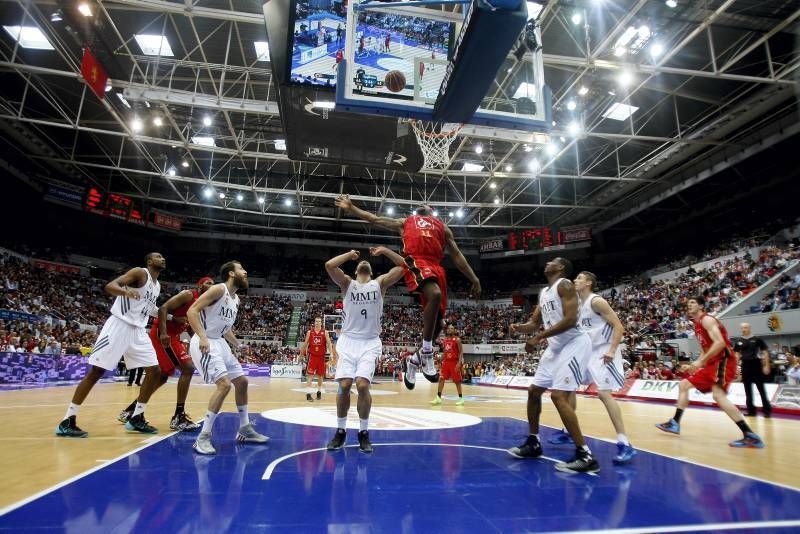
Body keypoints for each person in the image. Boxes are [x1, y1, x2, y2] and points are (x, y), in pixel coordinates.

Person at [334, 195, 480, 391]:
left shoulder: (443, 228)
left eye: (425, 203)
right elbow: (374, 219)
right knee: (435, 295)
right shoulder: (406, 222)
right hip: (415, 262)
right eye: (418, 203)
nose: (421, 203)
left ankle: (414, 361)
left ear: (431, 210)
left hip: (436, 268)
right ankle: (427, 353)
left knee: (438, 325)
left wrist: (474, 278)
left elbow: (457, 256)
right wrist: (352, 208)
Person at [56, 253, 166, 437]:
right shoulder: (140, 273)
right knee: (97, 371)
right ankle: (67, 420)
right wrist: (125, 291)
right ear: (149, 261)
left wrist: (170, 317)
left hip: (138, 330)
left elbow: (149, 308)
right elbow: (110, 286)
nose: (162, 259)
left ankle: (136, 417)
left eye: (163, 257)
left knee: (155, 371)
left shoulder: (157, 286)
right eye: (158, 256)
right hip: (119, 325)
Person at [507, 258, 599, 474]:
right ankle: (533, 442)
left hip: (575, 343)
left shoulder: (565, 285)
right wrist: (520, 328)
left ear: (561, 268)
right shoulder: (544, 292)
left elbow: (570, 320)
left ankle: (585, 455)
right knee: (533, 391)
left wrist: (538, 338)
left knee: (558, 396)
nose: (548, 263)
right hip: (556, 348)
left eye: (553, 261)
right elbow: (534, 323)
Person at [323, 247, 406, 453]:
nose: (363, 262)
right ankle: (340, 432)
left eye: (366, 263)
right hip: (348, 341)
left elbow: (404, 266)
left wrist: (386, 251)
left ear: (370, 270)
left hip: (369, 342)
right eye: (360, 262)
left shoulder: (379, 284)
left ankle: (363, 432)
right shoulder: (347, 284)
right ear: (356, 269)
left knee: (361, 385)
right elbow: (329, 265)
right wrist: (348, 255)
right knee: (344, 385)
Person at [656, 295, 765, 448]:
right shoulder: (697, 325)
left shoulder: (707, 320)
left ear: (701, 306)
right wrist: (696, 364)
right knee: (684, 385)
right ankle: (675, 423)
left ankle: (750, 435)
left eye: (692, 302)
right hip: (714, 362)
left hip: (724, 360)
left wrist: (701, 361)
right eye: (688, 303)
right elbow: (707, 349)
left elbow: (720, 343)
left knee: (718, 395)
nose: (689, 305)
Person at [187, 261, 269, 455]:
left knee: (242, 382)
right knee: (224, 385)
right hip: (204, 340)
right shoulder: (218, 289)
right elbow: (192, 311)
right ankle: (203, 437)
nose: (245, 271)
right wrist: (203, 337)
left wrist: (238, 344)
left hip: (220, 342)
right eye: (242, 269)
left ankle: (244, 428)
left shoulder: (236, 299)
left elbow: (226, 328)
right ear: (232, 273)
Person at [118, 277, 215, 431]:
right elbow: (163, 309)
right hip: (163, 334)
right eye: (208, 283)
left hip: (174, 336)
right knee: (188, 368)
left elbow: (188, 324)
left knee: (163, 376)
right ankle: (178, 416)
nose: (211, 286)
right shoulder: (188, 295)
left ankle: (130, 411)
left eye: (213, 284)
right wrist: (163, 333)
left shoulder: (203, 305)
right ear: (200, 285)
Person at [564, 271, 636, 464]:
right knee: (568, 386)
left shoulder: (597, 302)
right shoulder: (577, 305)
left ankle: (624, 443)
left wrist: (612, 351)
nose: (574, 280)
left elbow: (619, 326)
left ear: (588, 283)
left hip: (603, 351)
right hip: (586, 351)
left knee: (604, 394)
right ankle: (567, 430)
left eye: (579, 278)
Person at [732, 323, 772, 417]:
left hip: (756, 365)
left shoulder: (757, 340)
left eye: (745, 327)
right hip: (745, 366)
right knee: (747, 390)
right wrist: (734, 368)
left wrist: (766, 366)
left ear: (749, 328)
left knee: (761, 389)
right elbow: (737, 355)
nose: (743, 329)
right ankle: (751, 411)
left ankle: (766, 411)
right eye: (742, 328)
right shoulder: (738, 342)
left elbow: (765, 352)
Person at [300, 317, 336, 402]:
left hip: (321, 357)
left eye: (319, 321)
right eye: (316, 321)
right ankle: (308, 394)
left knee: (320, 376)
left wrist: (331, 353)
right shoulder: (310, 332)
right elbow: (305, 344)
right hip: (312, 356)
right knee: (310, 375)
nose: (317, 323)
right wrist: (301, 354)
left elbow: (329, 344)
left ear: (321, 323)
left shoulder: (325, 332)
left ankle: (319, 392)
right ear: (314, 322)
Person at [430, 324, 464, 406]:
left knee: (457, 381)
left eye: (452, 328)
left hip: (454, 362)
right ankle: (438, 398)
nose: (450, 330)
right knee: (441, 379)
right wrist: (440, 359)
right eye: (449, 328)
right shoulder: (445, 340)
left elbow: (461, 352)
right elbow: (445, 353)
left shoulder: (457, 340)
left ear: (454, 330)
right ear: (447, 330)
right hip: (446, 362)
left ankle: (461, 398)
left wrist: (459, 363)